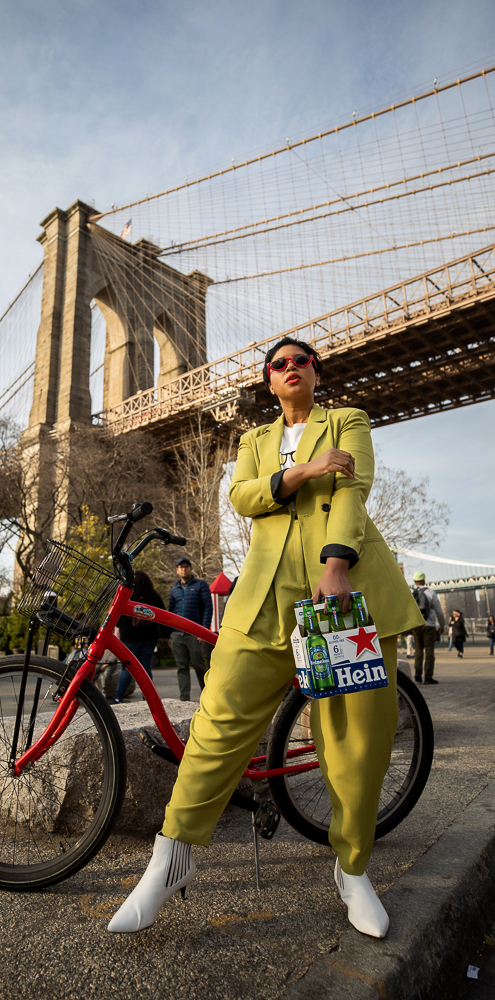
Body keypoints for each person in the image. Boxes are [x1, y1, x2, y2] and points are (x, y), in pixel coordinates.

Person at [108, 335, 424, 941]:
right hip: (264, 596)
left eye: (300, 360)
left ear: (315, 371)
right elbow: (244, 497)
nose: (290, 369)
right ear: (269, 381)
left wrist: (336, 562)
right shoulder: (253, 440)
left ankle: (352, 868)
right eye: (278, 365)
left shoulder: (347, 419)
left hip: (340, 590)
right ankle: (170, 858)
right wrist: (306, 469)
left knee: (358, 735)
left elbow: (351, 491)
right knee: (219, 722)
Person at [114, 571, 167, 703]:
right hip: (149, 636)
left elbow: (118, 615)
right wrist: (165, 635)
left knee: (127, 667)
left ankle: (118, 697)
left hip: (130, 636)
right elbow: (163, 615)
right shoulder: (153, 596)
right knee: (145, 667)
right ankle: (148, 698)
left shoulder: (129, 596)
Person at [168, 558, 212, 701]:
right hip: (177, 634)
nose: (184, 569)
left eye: (186, 566)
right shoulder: (174, 589)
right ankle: (184, 699)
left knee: (199, 666)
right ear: (177, 570)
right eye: (181, 567)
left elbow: (208, 607)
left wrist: (204, 630)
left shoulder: (200, 585)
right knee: (182, 668)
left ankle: (209, 697)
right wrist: (170, 634)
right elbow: (171, 612)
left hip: (195, 633)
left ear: (191, 569)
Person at [411, 572, 445, 684]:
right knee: (429, 649)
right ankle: (428, 676)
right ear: (424, 580)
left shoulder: (410, 592)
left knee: (418, 648)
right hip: (429, 625)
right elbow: (439, 611)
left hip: (416, 625)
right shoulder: (430, 593)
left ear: (414, 581)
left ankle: (417, 673)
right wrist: (442, 625)